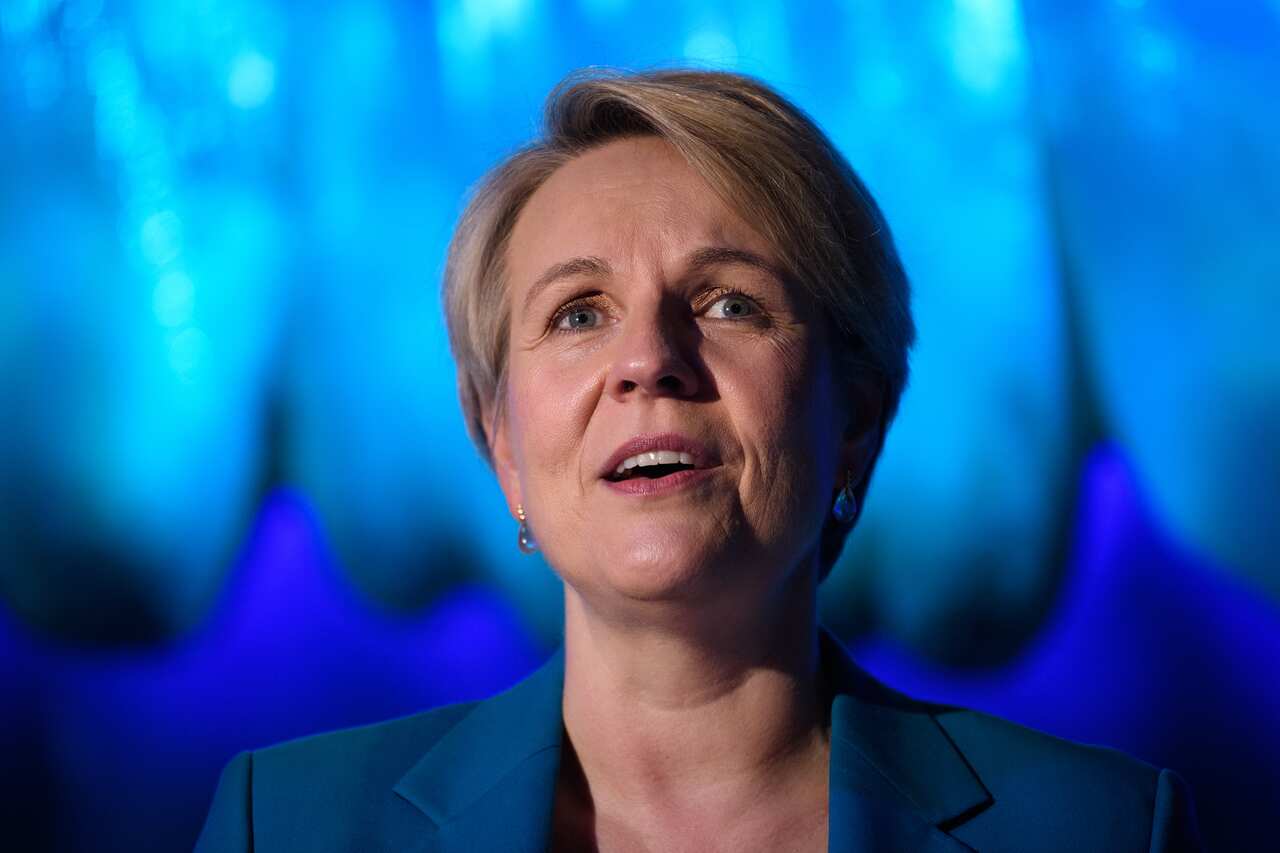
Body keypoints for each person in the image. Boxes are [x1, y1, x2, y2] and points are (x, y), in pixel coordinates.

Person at [194, 68, 1203, 852]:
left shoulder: (1100, 830)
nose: (647, 361)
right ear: (500, 442)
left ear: (853, 414)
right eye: (577, 313)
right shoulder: (280, 826)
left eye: (729, 303)